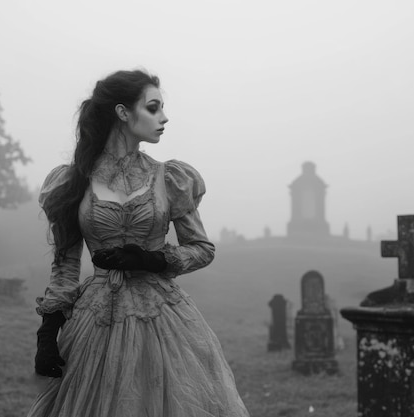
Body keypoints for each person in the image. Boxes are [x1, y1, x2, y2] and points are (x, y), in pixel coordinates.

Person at [26, 69, 250, 416]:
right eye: (153, 107)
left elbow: (202, 249)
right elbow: (66, 265)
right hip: (95, 320)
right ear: (122, 112)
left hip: (162, 317)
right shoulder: (74, 181)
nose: (164, 118)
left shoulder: (170, 177)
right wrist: (48, 332)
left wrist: (153, 260)